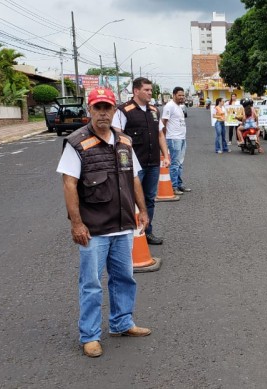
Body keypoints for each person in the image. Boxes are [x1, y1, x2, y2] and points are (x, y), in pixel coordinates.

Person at [56, 87, 152, 358]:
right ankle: (89, 335)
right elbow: (69, 184)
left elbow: (133, 177)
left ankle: (122, 322)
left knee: (124, 278)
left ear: (114, 110)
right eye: (97, 108)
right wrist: (77, 224)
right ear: (90, 110)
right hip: (94, 228)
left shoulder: (124, 140)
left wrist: (142, 211)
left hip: (122, 225)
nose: (102, 113)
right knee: (91, 283)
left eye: (107, 108)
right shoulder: (77, 143)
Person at [112, 77, 170, 246]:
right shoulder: (124, 111)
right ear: (136, 91)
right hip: (132, 166)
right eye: (146, 90)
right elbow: (117, 135)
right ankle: (127, 235)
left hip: (152, 163)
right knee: (130, 200)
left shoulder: (153, 110)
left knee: (149, 199)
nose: (150, 93)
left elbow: (160, 134)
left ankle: (147, 231)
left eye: (151, 90)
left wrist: (165, 155)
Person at [162, 87, 191, 195]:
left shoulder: (179, 107)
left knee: (180, 163)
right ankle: (173, 186)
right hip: (173, 138)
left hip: (181, 138)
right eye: (179, 95)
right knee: (174, 163)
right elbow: (163, 122)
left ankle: (179, 184)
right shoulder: (169, 106)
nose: (182, 97)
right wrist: (164, 137)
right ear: (174, 95)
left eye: (183, 95)